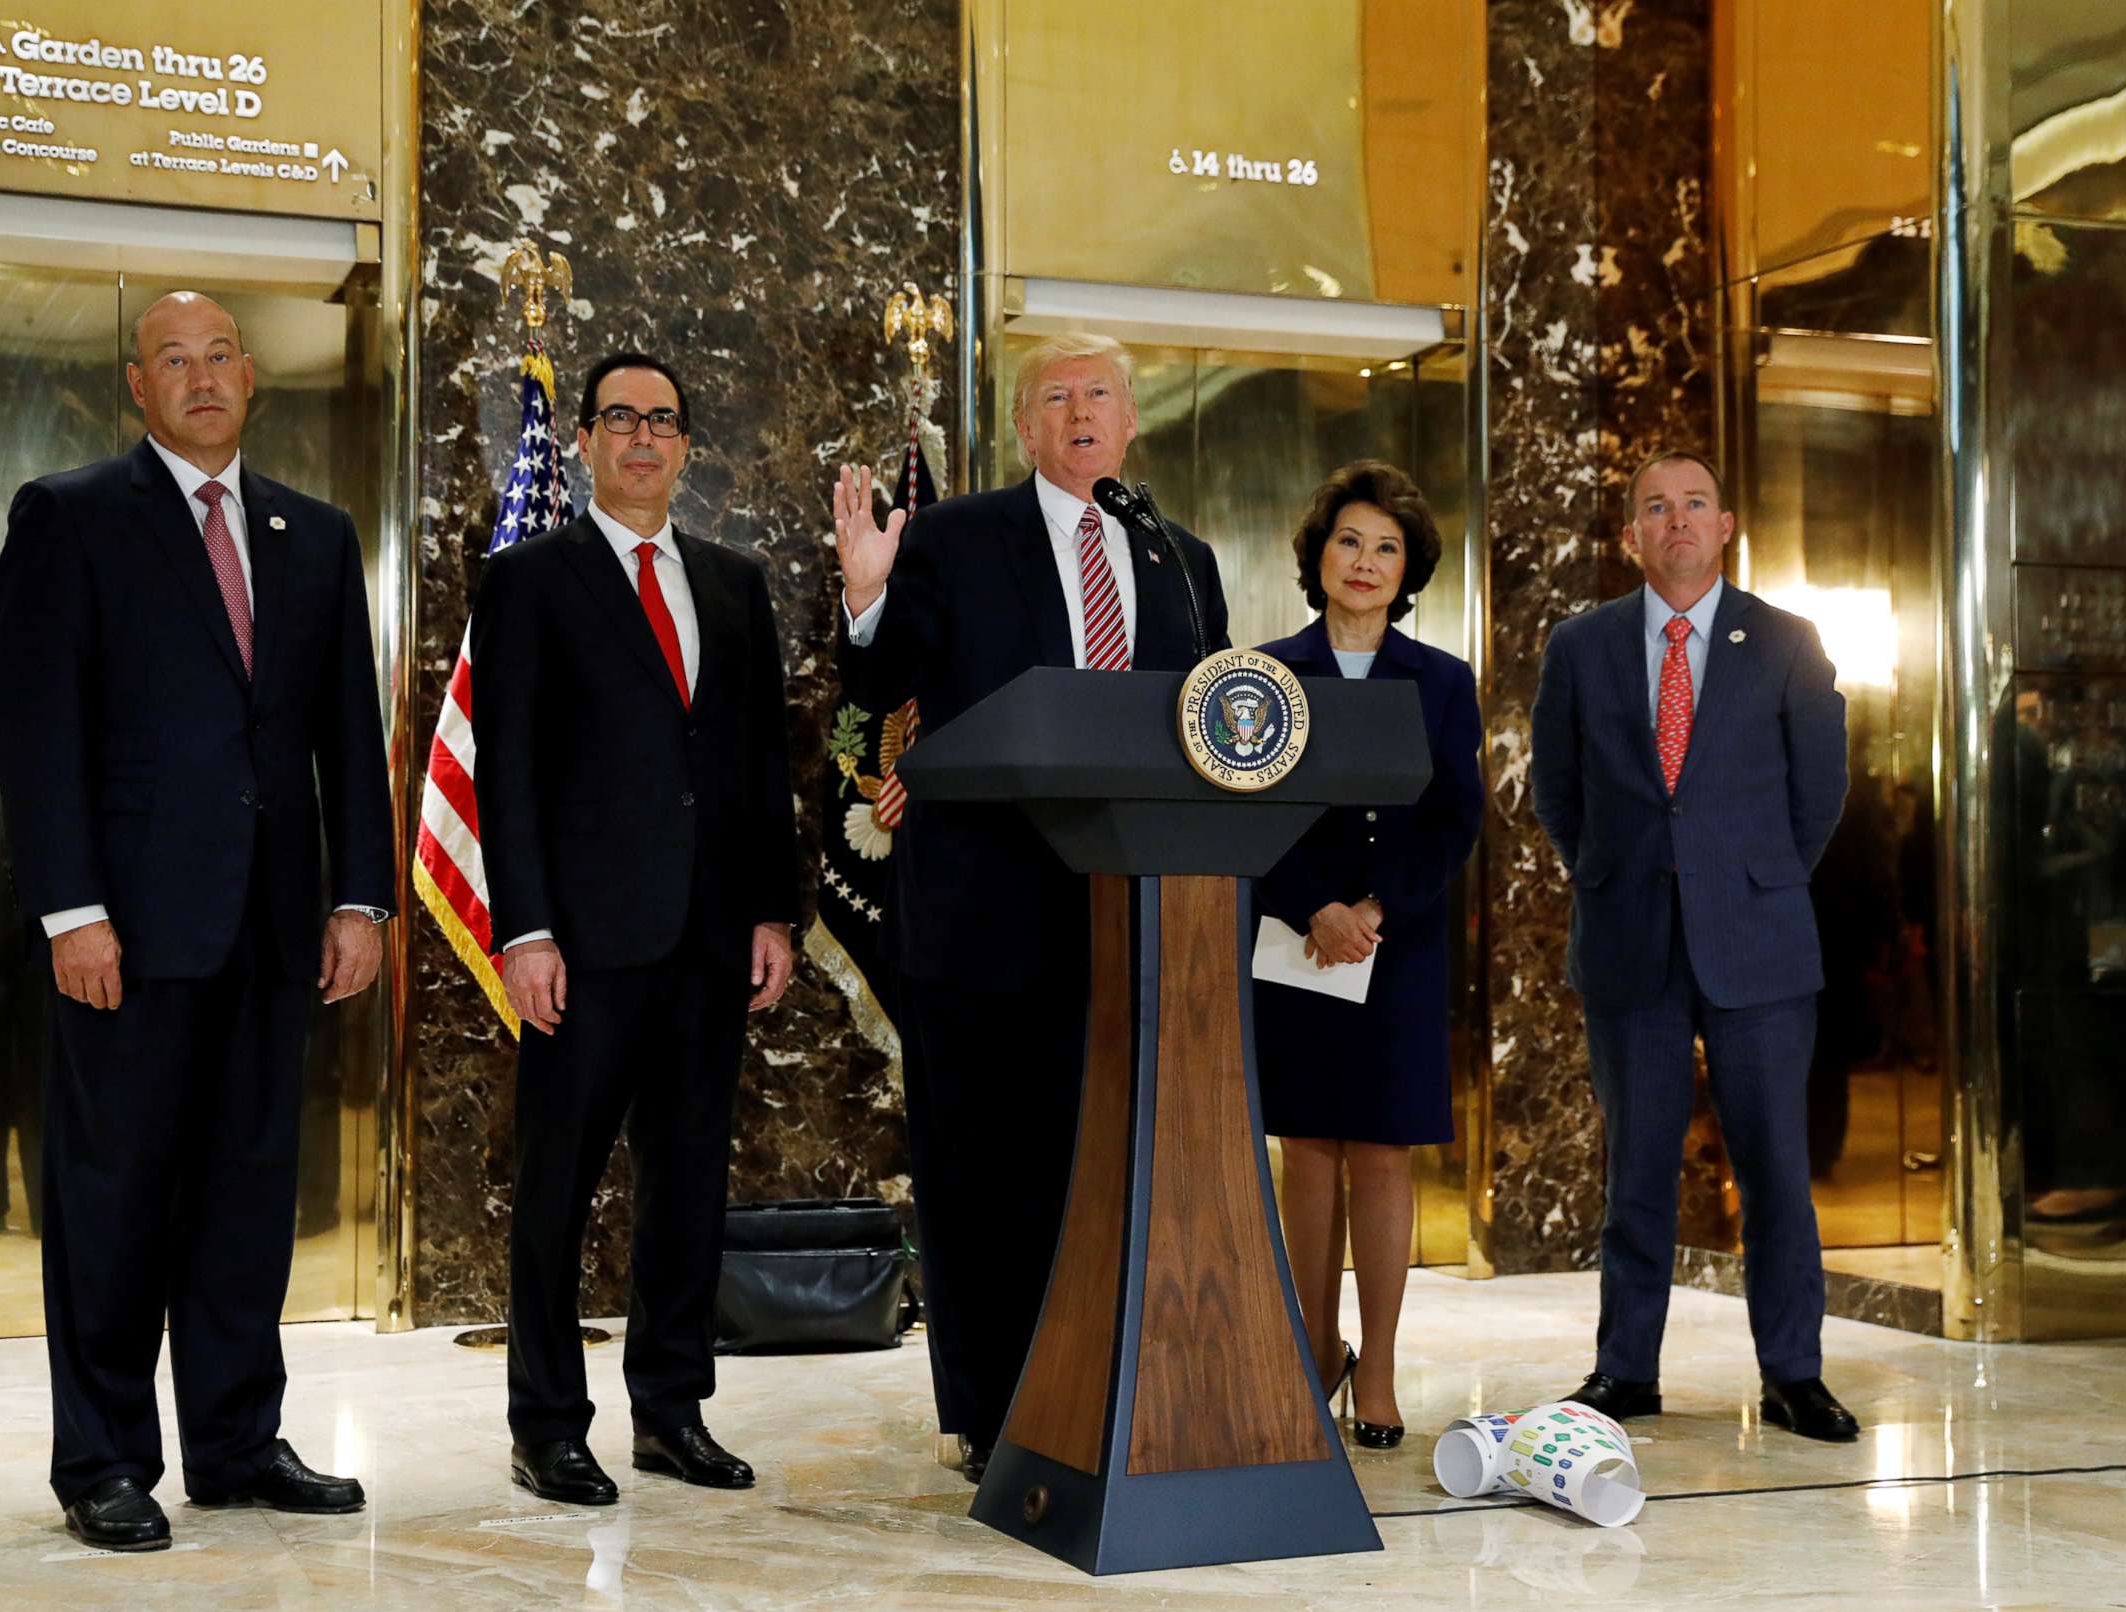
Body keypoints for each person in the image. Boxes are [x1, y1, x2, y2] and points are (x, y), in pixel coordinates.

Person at [0, 291, 397, 1551]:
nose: (201, 376)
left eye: (220, 354)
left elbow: (347, 736)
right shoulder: (69, 518)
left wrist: (361, 896)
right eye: (175, 359)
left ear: (250, 377)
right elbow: (38, 729)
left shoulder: (316, 536)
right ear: (136, 386)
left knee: (247, 1194)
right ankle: (103, 1459)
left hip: (277, 933)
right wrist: (71, 910)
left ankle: (233, 1441)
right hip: (130, 931)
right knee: (113, 1199)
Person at [828, 333, 1230, 1482]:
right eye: (1054, 396)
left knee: (1111, 1169)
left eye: (1100, 390)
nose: (1079, 409)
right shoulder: (956, 537)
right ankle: (996, 1410)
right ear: (1024, 429)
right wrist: (866, 599)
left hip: (1137, 912)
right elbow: (886, 677)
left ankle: (1113, 1386)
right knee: (982, 1174)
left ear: (1132, 416)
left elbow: (1213, 721)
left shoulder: (1178, 558)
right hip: (980, 916)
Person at [474, 351, 799, 1508]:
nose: (644, 439)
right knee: (556, 1189)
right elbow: (502, 772)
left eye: (664, 422)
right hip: (586, 944)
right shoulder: (528, 579)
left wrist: (774, 909)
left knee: (688, 1190)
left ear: (687, 447)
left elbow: (763, 765)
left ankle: (671, 1412)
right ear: (587, 442)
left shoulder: (732, 582)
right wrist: (527, 930)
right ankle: (548, 1425)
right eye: (622, 419)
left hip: (711, 942)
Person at [1529, 449, 1858, 1442]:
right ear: (1631, 534)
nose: (1677, 522)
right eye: (1655, 508)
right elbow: (1557, 789)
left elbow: (1820, 791)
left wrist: (1753, 875)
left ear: (1725, 526)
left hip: (1756, 940)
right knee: (1635, 1168)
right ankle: (1625, 1372)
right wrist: (1611, 869)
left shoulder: (1788, 641)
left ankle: (1794, 1375)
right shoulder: (1580, 646)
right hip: (1631, 938)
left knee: (1773, 1169)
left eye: (1695, 505)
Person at [1249, 461, 1482, 1450]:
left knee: (1383, 1155)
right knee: (1307, 1149)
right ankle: (1316, 1347)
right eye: (1350, 541)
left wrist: (1376, 909)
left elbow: (1456, 817)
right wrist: (1318, 906)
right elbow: (1245, 807)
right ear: (1318, 555)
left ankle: (1378, 1372)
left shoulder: (1441, 682)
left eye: (1387, 547)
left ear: (1409, 568)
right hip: (1296, 937)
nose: (1366, 561)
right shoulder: (1263, 674)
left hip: (1400, 939)